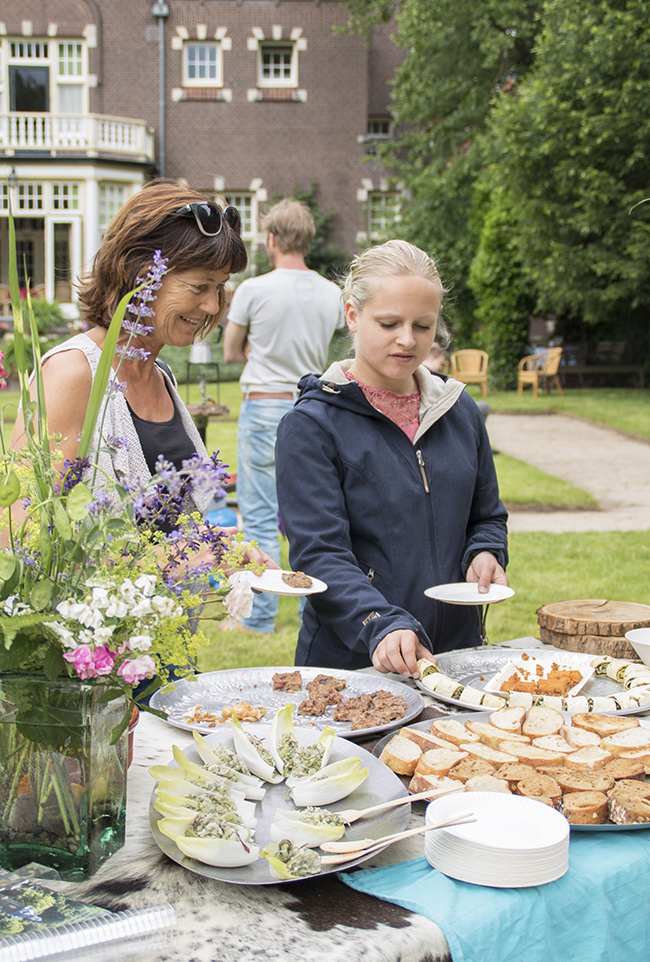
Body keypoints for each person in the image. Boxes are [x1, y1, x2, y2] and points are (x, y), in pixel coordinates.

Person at [10, 180, 270, 574]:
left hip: (154, 631)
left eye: (220, 288)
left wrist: (217, 547)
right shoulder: (72, 373)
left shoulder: (160, 375)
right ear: (141, 274)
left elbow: (162, 527)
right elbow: (24, 534)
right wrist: (166, 564)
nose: (212, 305)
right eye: (200, 286)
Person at [275, 239, 509, 678]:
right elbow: (319, 553)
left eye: (423, 326)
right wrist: (379, 623)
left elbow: (487, 517)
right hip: (353, 665)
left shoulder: (459, 410)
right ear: (352, 315)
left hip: (457, 659)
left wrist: (486, 552)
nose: (407, 340)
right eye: (389, 323)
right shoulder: (311, 425)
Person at [223, 198, 345, 633]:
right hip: (312, 408)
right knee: (311, 515)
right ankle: (310, 609)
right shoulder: (334, 294)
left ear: (271, 238)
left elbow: (230, 350)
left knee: (257, 511)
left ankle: (260, 619)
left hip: (263, 402)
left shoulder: (254, 290)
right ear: (308, 240)